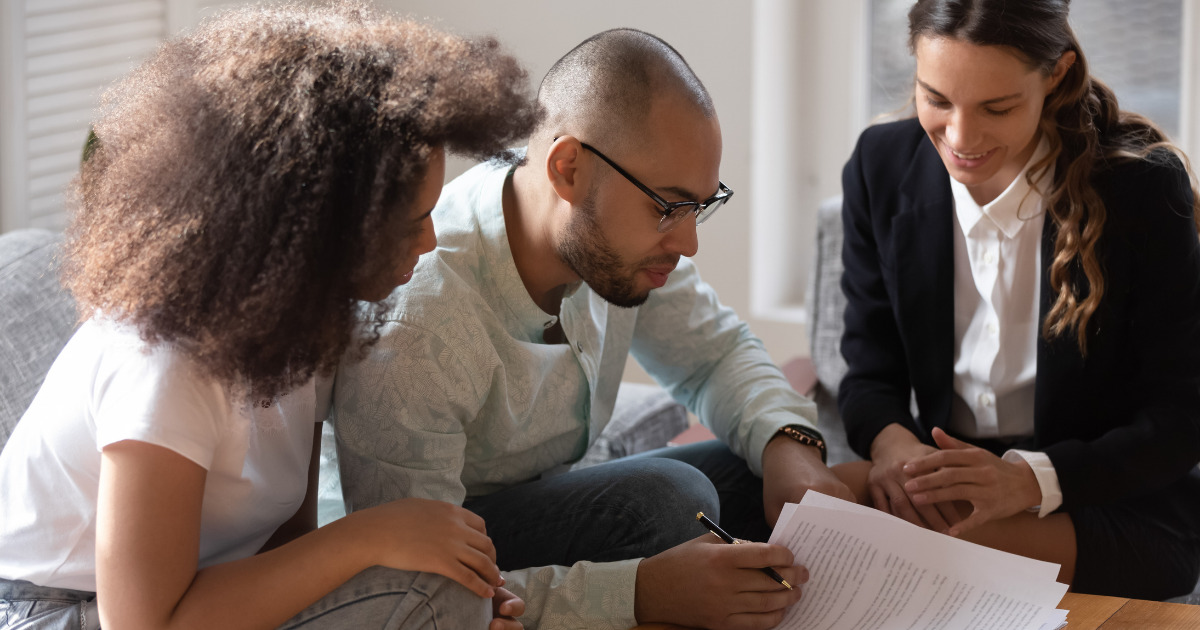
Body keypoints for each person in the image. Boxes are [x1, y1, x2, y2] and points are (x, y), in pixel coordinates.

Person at [0, 3, 540, 628]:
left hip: (201, 599)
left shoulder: (306, 324)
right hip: (52, 612)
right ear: (319, 226)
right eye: (410, 221)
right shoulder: (164, 362)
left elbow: (289, 548)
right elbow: (142, 623)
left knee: (443, 591)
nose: (428, 243)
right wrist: (370, 540)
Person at [333, 27, 854, 630]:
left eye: (700, 207)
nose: (686, 242)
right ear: (569, 169)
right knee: (671, 501)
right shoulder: (417, 324)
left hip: (544, 501)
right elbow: (415, 588)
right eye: (667, 206)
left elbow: (714, 356)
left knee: (762, 468)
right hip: (445, 542)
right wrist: (639, 593)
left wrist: (793, 449)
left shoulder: (614, 250)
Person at [835, 0, 1200, 601]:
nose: (960, 138)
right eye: (937, 99)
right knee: (802, 499)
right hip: (953, 473)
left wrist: (1031, 481)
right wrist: (893, 446)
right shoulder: (880, 166)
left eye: (996, 107)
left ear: (1055, 75)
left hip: (1102, 494)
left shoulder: (1142, 188)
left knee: (878, 546)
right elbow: (867, 374)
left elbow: (1180, 421)